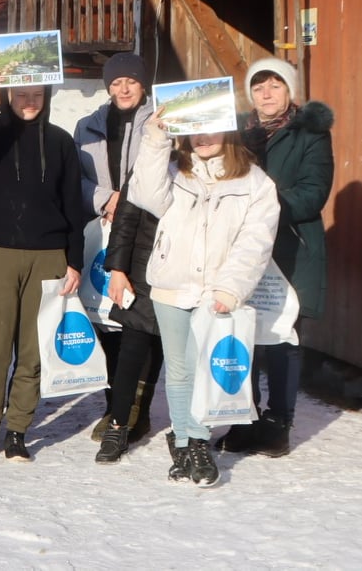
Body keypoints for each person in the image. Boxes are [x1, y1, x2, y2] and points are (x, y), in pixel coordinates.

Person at [126, 118, 280, 487]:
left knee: (202, 370)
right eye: (196, 130)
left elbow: (256, 241)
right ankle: (183, 444)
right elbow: (144, 193)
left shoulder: (255, 182)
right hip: (172, 284)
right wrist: (156, 137)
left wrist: (230, 288)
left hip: (216, 291)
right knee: (179, 371)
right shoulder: (174, 171)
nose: (203, 137)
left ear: (228, 129)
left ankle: (197, 443)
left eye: (211, 128)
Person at [0, 72, 91, 463]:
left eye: (37, 94)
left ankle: (17, 429)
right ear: (9, 95)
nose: (29, 101)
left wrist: (74, 260)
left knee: (32, 351)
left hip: (47, 255)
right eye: (21, 94)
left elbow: (72, 204)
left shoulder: (61, 142)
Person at [223, 58, 334, 458]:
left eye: (274, 85)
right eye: (258, 87)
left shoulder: (311, 133)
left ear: (289, 91)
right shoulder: (237, 133)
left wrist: (262, 209)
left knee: (282, 338)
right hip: (243, 249)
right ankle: (245, 417)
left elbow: (313, 192)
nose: (266, 94)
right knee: (244, 334)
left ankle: (278, 424)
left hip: (290, 248)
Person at [74, 53, 159, 446]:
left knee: (141, 321)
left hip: (148, 232)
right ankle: (115, 405)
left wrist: (131, 205)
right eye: (116, 82)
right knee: (106, 316)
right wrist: (106, 199)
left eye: (131, 81)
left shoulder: (160, 120)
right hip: (103, 227)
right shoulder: (87, 126)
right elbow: (75, 178)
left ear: (143, 84)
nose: (123, 89)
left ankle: (137, 410)